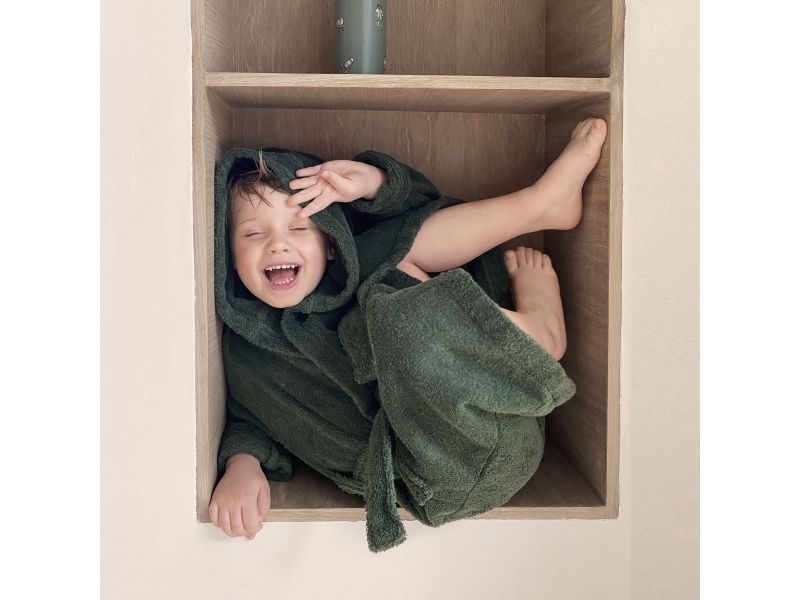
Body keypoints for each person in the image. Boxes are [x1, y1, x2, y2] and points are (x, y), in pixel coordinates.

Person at [209, 117, 607, 551]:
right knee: (389, 289)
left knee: (384, 258)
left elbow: (422, 206)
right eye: (253, 233)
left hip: (488, 411)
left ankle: (541, 205)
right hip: (439, 468)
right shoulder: (248, 350)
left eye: (299, 227)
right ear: (228, 254)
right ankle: (537, 332)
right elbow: (250, 418)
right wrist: (242, 465)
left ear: (331, 244)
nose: (277, 245)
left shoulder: (355, 276)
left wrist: (373, 183)